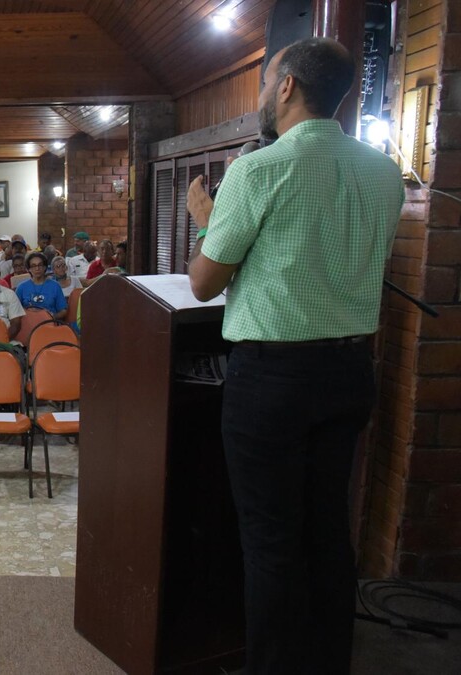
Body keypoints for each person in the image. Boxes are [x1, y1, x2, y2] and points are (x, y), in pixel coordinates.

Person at [186, 38, 404, 674]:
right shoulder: (383, 172)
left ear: (286, 87)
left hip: (274, 379)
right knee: (328, 529)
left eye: (264, 82)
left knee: (271, 541)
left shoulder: (259, 170)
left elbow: (204, 283)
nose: (262, 94)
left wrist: (207, 219)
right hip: (350, 370)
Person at [16, 252, 67, 320]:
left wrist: (52, 317)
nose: (37, 268)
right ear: (29, 269)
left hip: (50, 323)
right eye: (33, 266)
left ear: (45, 267)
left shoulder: (55, 286)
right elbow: (15, 312)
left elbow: (63, 311)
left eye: (40, 265)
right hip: (28, 323)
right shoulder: (21, 287)